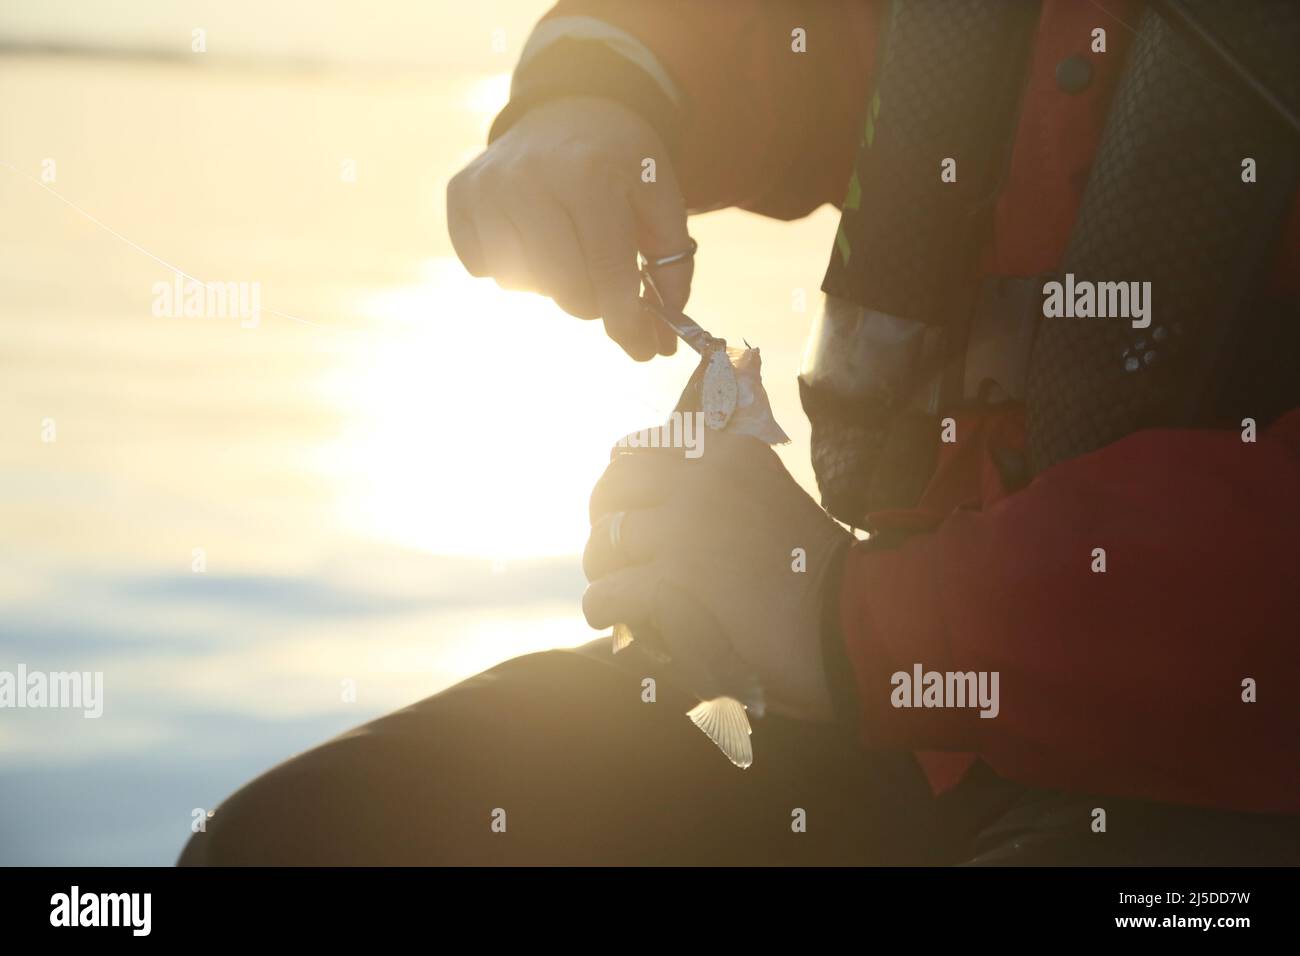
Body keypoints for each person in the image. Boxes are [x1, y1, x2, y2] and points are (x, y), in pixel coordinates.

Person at [180, 0, 1300, 866]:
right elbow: (817, 39)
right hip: (885, 717)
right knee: (307, 841)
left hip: (1205, 789)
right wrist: (602, 84)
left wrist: (841, 614)